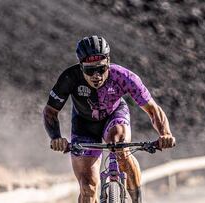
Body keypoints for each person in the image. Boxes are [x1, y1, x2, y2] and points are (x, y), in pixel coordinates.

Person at [43, 35, 175, 203]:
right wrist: (56, 138)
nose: (96, 75)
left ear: (109, 62)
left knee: (119, 145)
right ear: (80, 66)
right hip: (84, 125)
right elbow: (50, 112)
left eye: (101, 69)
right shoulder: (70, 78)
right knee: (87, 188)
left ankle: (136, 200)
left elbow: (152, 109)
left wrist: (165, 133)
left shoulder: (123, 76)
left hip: (114, 116)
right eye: (90, 70)